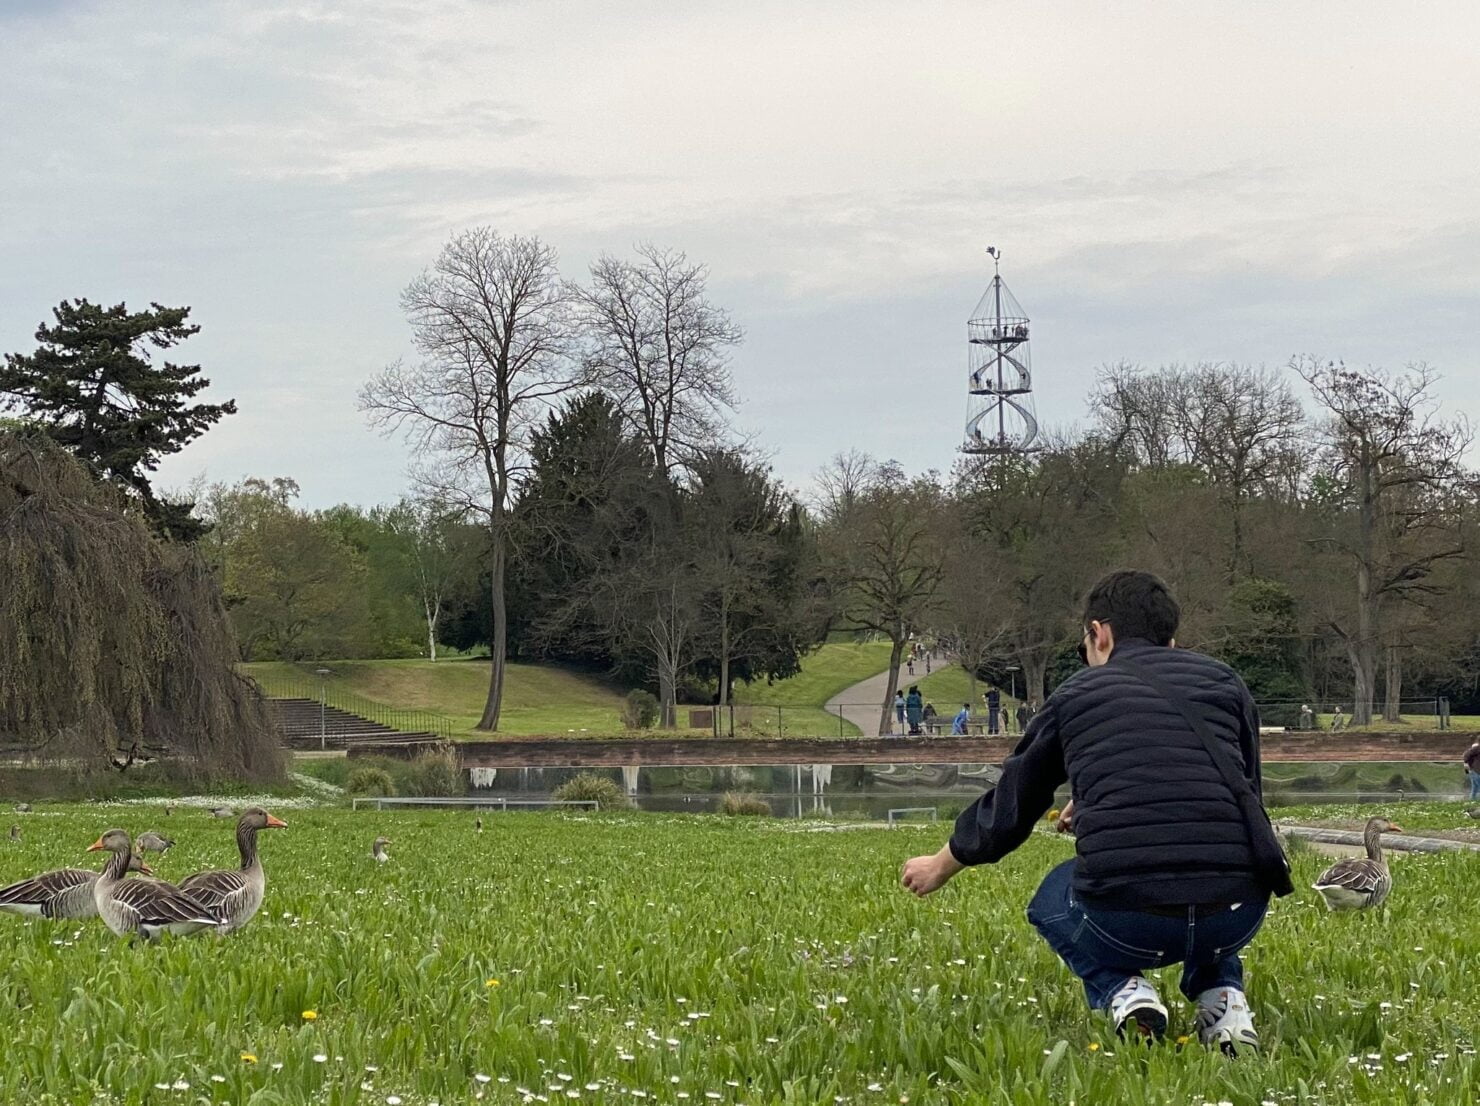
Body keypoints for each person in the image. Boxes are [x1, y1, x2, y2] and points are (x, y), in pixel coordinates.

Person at [902, 570, 1292, 1053]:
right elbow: (1240, 792)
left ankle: (1124, 992)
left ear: (1099, 632)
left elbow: (1013, 806)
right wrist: (1092, 799)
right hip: (1237, 915)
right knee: (1211, 864)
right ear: (1172, 637)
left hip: (1127, 922)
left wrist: (940, 865)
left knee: (1050, 897)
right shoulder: (1226, 685)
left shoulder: (1075, 696)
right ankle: (1224, 1002)